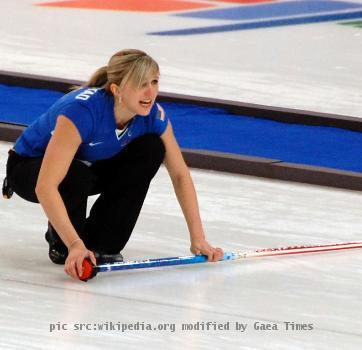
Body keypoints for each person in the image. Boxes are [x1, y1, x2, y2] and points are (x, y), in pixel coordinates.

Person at [4, 49, 224, 280]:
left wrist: (198, 237)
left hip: (88, 167)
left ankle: (100, 240)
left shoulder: (153, 116)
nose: (151, 93)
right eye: (141, 84)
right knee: (76, 175)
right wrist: (75, 245)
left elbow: (180, 175)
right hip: (29, 168)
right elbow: (45, 186)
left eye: (154, 82)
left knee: (151, 148)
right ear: (116, 89)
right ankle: (62, 241)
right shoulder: (82, 112)